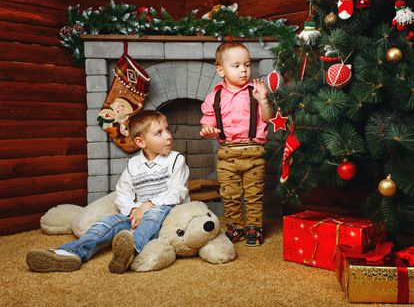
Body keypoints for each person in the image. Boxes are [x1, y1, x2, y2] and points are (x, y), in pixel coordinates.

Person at [26, 110, 190, 273]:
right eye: (159, 133)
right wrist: (132, 209)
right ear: (141, 142)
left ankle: (131, 249)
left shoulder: (176, 160)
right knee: (109, 221)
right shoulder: (134, 164)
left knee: (155, 213)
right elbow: (123, 193)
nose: (168, 136)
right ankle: (70, 252)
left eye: (167, 129)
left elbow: (178, 191)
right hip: (137, 214)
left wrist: (149, 204)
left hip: (166, 211)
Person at [200, 42, 273, 246]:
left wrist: (263, 101)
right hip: (227, 154)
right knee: (230, 194)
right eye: (237, 65)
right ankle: (235, 227)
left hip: (254, 153)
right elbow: (208, 122)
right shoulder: (214, 97)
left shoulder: (255, 93)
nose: (244, 70)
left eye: (247, 65)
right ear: (221, 70)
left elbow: (268, 119)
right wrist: (208, 129)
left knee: (253, 194)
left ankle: (254, 228)